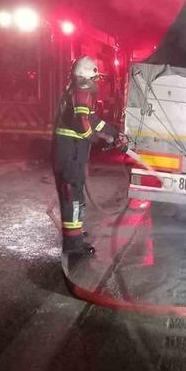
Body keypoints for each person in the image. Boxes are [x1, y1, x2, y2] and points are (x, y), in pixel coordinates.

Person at [52, 56, 126, 256]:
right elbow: (84, 120)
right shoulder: (83, 90)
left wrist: (112, 131)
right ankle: (73, 245)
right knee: (73, 198)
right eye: (95, 77)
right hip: (71, 154)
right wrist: (92, 137)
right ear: (87, 76)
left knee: (76, 197)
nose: (96, 82)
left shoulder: (75, 91)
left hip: (71, 153)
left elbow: (92, 119)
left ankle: (75, 236)